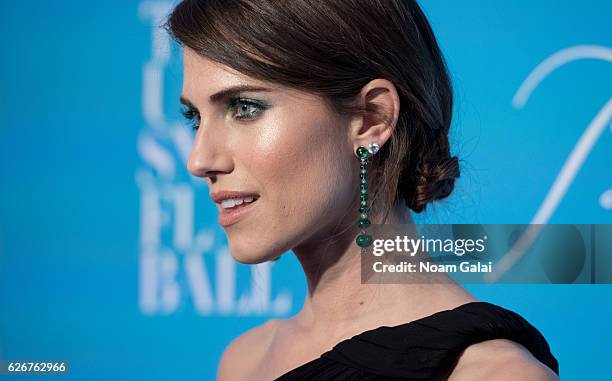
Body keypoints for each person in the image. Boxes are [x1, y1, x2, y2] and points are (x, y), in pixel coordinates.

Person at [165, 0, 560, 379]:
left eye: (244, 107)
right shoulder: (244, 361)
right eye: (194, 117)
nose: (199, 160)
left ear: (372, 118)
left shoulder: (491, 375)